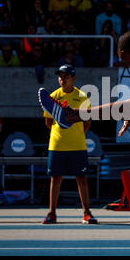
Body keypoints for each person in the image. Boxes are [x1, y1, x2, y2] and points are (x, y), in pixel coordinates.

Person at [42, 64, 97, 225]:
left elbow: (87, 122)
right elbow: (48, 122)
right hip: (57, 145)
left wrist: (77, 134)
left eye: (66, 76)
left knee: (82, 178)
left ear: (73, 78)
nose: (62, 79)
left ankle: (87, 213)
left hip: (78, 145)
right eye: (60, 76)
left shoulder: (81, 97)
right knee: (55, 179)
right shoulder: (52, 96)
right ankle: (52, 213)